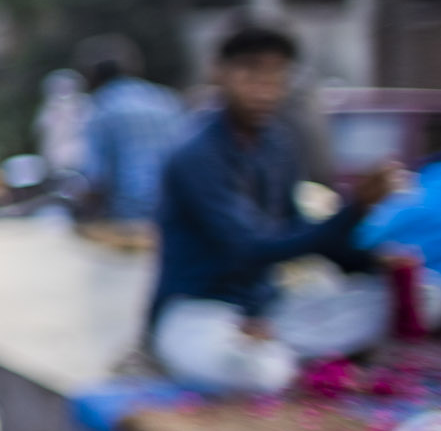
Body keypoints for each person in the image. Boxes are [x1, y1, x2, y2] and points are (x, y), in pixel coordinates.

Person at [150, 23, 401, 393]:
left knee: (413, 297)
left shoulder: (279, 146)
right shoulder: (195, 155)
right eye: (251, 71)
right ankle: (279, 352)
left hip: (268, 311)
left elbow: (296, 231)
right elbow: (250, 247)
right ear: (219, 73)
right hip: (200, 313)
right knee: (260, 372)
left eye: (276, 74)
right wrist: (352, 209)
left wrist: (370, 260)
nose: (264, 87)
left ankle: (281, 345)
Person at [76, 36, 186, 225]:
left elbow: (97, 179)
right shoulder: (166, 99)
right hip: (175, 210)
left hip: (129, 215)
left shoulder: (103, 109)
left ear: (93, 77)